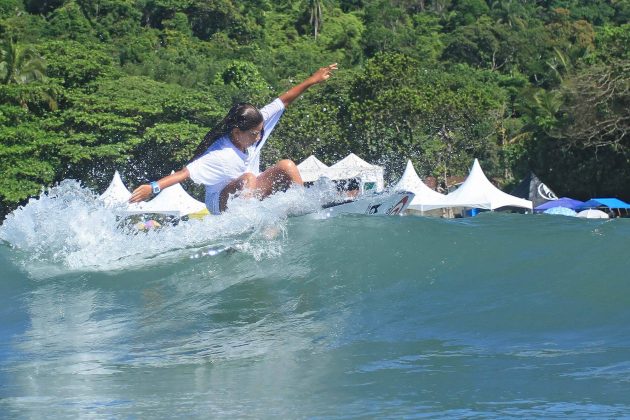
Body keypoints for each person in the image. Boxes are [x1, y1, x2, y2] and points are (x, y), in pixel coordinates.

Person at [129, 63, 338, 214]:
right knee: (248, 178)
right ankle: (245, 224)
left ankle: (303, 210)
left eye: (260, 131)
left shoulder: (255, 124)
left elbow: (283, 101)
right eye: (254, 134)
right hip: (219, 202)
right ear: (237, 133)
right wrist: (152, 188)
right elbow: (183, 174)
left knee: (287, 166)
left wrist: (313, 79)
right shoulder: (221, 153)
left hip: (249, 193)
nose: (259, 137)